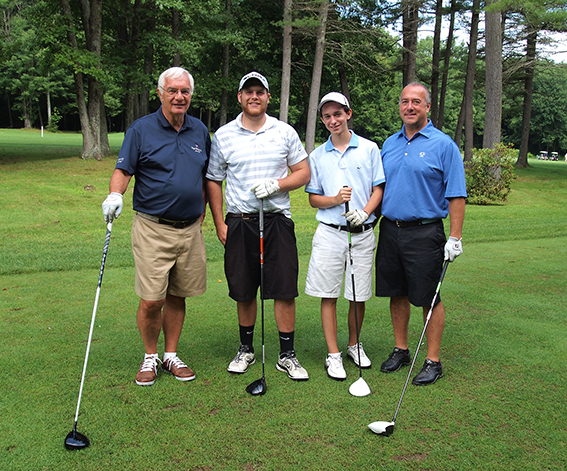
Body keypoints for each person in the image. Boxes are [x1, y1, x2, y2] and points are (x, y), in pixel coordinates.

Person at [101, 67, 210, 386]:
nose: (179, 97)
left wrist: (205, 215)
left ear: (191, 95)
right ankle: (150, 355)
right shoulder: (141, 129)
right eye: (173, 90)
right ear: (160, 93)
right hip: (153, 227)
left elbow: (207, 177)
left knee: (178, 295)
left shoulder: (200, 130)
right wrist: (114, 194)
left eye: (185, 91)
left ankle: (170, 354)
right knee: (152, 299)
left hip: (190, 229)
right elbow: (123, 169)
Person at [206, 71, 311, 381]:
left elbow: (303, 172)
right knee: (243, 288)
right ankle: (246, 349)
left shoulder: (284, 132)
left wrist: (277, 184)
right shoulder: (223, 135)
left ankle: (286, 355)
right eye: (248, 91)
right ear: (240, 97)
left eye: (260, 92)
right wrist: (219, 222)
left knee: (283, 289)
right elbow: (214, 180)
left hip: (276, 220)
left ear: (268, 97)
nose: (254, 96)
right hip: (239, 221)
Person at [376, 82, 466, 386]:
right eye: (404, 102)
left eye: (416, 102)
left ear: (427, 107)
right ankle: (401, 349)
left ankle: (433, 360)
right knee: (396, 292)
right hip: (390, 229)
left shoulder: (443, 145)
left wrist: (455, 237)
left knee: (428, 296)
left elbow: (456, 195)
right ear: (400, 107)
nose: (410, 107)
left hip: (425, 232)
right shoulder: (389, 143)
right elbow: (381, 188)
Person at [304, 92, 385, 380]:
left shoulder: (369, 148)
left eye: (337, 114)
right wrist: (336, 200)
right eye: (327, 116)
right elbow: (314, 199)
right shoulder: (316, 155)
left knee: (357, 294)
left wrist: (364, 212)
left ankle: (354, 344)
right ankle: (333, 354)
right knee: (328, 295)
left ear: (348, 113)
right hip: (329, 233)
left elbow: (378, 189)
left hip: (362, 233)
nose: (332, 120)